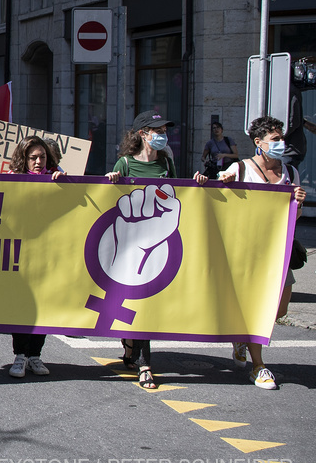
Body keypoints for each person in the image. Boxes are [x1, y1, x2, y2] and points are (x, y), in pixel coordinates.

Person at [103, 111, 207, 389]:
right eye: (157, 129)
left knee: (146, 303)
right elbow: (111, 198)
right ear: (142, 134)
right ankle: (132, 347)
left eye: (164, 129)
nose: (162, 134)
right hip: (128, 244)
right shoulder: (125, 164)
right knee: (133, 301)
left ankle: (143, 363)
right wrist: (111, 179)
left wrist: (196, 184)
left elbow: (178, 193)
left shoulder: (166, 162)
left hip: (159, 244)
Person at [220, 115, 309, 390]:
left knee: (279, 308)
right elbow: (221, 200)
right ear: (259, 143)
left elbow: (293, 216)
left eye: (282, 138)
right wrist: (224, 181)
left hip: (279, 250)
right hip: (249, 251)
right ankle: (258, 366)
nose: (281, 143)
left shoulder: (290, 173)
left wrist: (299, 203)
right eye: (276, 139)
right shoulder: (242, 168)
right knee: (258, 308)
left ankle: (242, 339)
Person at [3, 136, 65, 379]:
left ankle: (35, 356)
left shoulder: (56, 179)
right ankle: (20, 356)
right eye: (33, 158)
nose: (39, 162)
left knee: (42, 306)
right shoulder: (11, 180)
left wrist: (64, 185)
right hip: (19, 253)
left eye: (42, 157)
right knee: (22, 306)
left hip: (47, 253)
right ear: (24, 160)